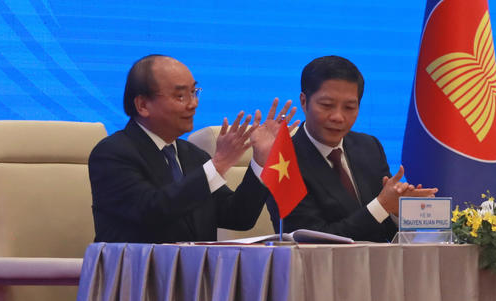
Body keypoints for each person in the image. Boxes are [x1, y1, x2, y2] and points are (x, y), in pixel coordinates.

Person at [88, 54, 296, 243]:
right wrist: (219, 164)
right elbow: (152, 211)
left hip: (195, 279)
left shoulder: (193, 155)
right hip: (136, 278)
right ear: (142, 105)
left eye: (194, 92)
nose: (193, 104)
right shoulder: (112, 154)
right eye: (180, 96)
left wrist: (260, 160)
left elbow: (238, 217)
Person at [275, 55, 437, 242]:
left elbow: (383, 232)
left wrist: (397, 210)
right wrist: (382, 205)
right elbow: (309, 239)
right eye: (327, 105)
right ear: (304, 101)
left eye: (349, 107)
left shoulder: (369, 147)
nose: (338, 117)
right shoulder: (283, 161)